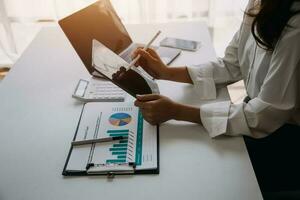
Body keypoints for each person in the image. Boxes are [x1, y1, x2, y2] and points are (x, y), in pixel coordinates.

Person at [133, 0, 300, 198]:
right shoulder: (259, 3)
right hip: (258, 114)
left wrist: (177, 111)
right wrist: (166, 72)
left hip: (287, 140)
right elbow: (232, 63)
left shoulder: (295, 26)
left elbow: (263, 115)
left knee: (200, 172)